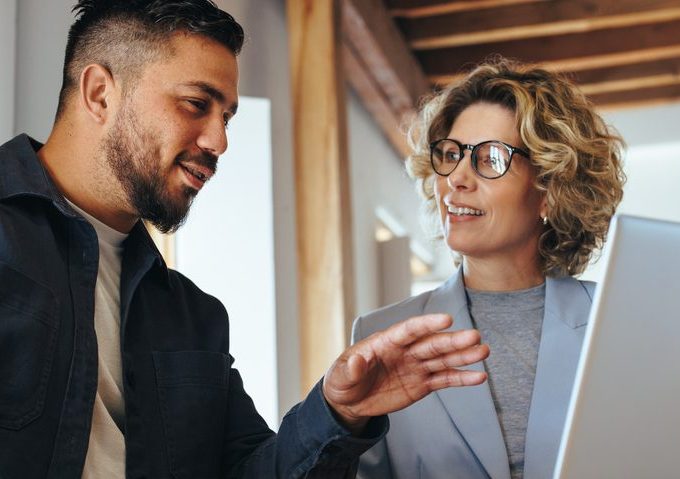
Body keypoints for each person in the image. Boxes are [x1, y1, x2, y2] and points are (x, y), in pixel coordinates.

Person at [0, 1, 489, 477]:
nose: (219, 141)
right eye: (196, 104)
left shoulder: (194, 318)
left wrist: (337, 412)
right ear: (100, 93)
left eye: (227, 117)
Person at [352, 60, 627, 479]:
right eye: (451, 154)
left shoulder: (617, 327)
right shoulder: (381, 335)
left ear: (550, 191)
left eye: (491, 158)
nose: (457, 178)